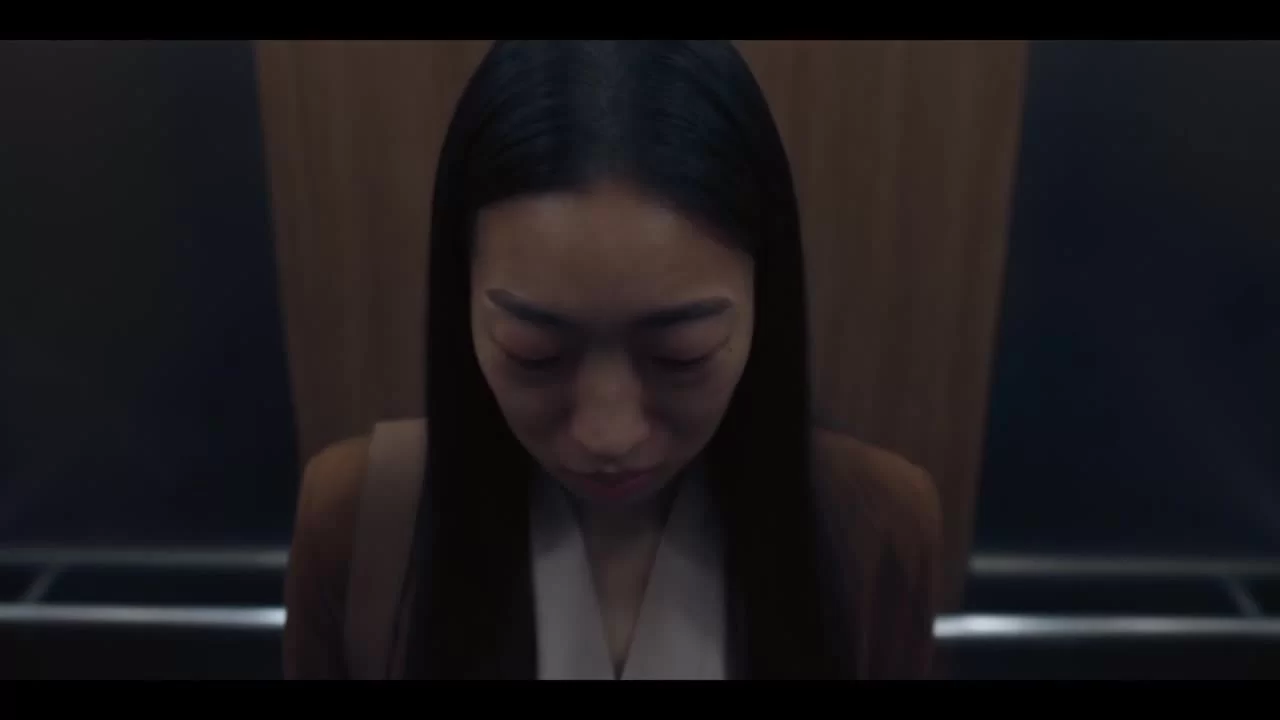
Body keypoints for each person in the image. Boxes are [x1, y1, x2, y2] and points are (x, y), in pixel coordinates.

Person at [283, 40, 942, 680]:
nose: (608, 435)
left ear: (765, 303)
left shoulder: (877, 528)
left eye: (680, 355)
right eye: (535, 353)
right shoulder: (356, 525)